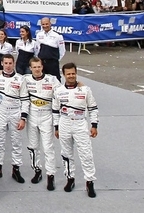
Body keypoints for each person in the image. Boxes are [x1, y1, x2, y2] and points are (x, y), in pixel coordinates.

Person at [0, 53, 29, 183]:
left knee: (16, 142)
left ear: (14, 64)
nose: (8, 66)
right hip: (1, 112)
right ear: (2, 64)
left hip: (16, 113)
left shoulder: (21, 79)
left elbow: (25, 100)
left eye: (10, 63)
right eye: (6, 63)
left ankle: (16, 169)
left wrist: (23, 118)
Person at [54, 62, 98, 197]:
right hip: (65, 123)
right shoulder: (59, 91)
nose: (71, 76)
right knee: (66, 154)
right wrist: (56, 127)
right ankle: (70, 179)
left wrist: (94, 125)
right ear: (64, 75)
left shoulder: (85, 90)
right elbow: (55, 110)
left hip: (80, 124)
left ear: (76, 73)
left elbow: (93, 108)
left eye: (73, 73)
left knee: (86, 154)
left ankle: (89, 182)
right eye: (68, 74)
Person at [23, 56, 60, 190]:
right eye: (34, 67)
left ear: (42, 67)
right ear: (30, 68)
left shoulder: (52, 79)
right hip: (32, 116)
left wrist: (79, 85)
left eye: (39, 67)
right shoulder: (25, 79)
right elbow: (11, 80)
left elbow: (62, 92)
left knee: (48, 147)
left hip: (46, 116)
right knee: (33, 146)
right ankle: (37, 170)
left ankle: (51, 175)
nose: (37, 69)